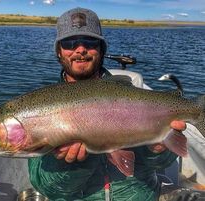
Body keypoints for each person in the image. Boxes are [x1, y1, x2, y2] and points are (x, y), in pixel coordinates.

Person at [28, 7, 186, 201]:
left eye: (89, 41)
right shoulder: (41, 110)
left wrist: (157, 150)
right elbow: (48, 189)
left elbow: (160, 164)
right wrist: (71, 165)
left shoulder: (135, 98)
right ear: (59, 52)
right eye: (70, 42)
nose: (80, 49)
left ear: (102, 49)